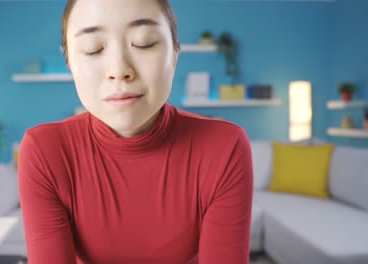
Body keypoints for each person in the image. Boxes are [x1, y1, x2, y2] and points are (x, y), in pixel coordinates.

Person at [18, 0, 253, 263]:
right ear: (70, 64)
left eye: (144, 43)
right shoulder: (45, 151)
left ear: (174, 54)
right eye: (92, 49)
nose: (119, 70)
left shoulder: (224, 147)